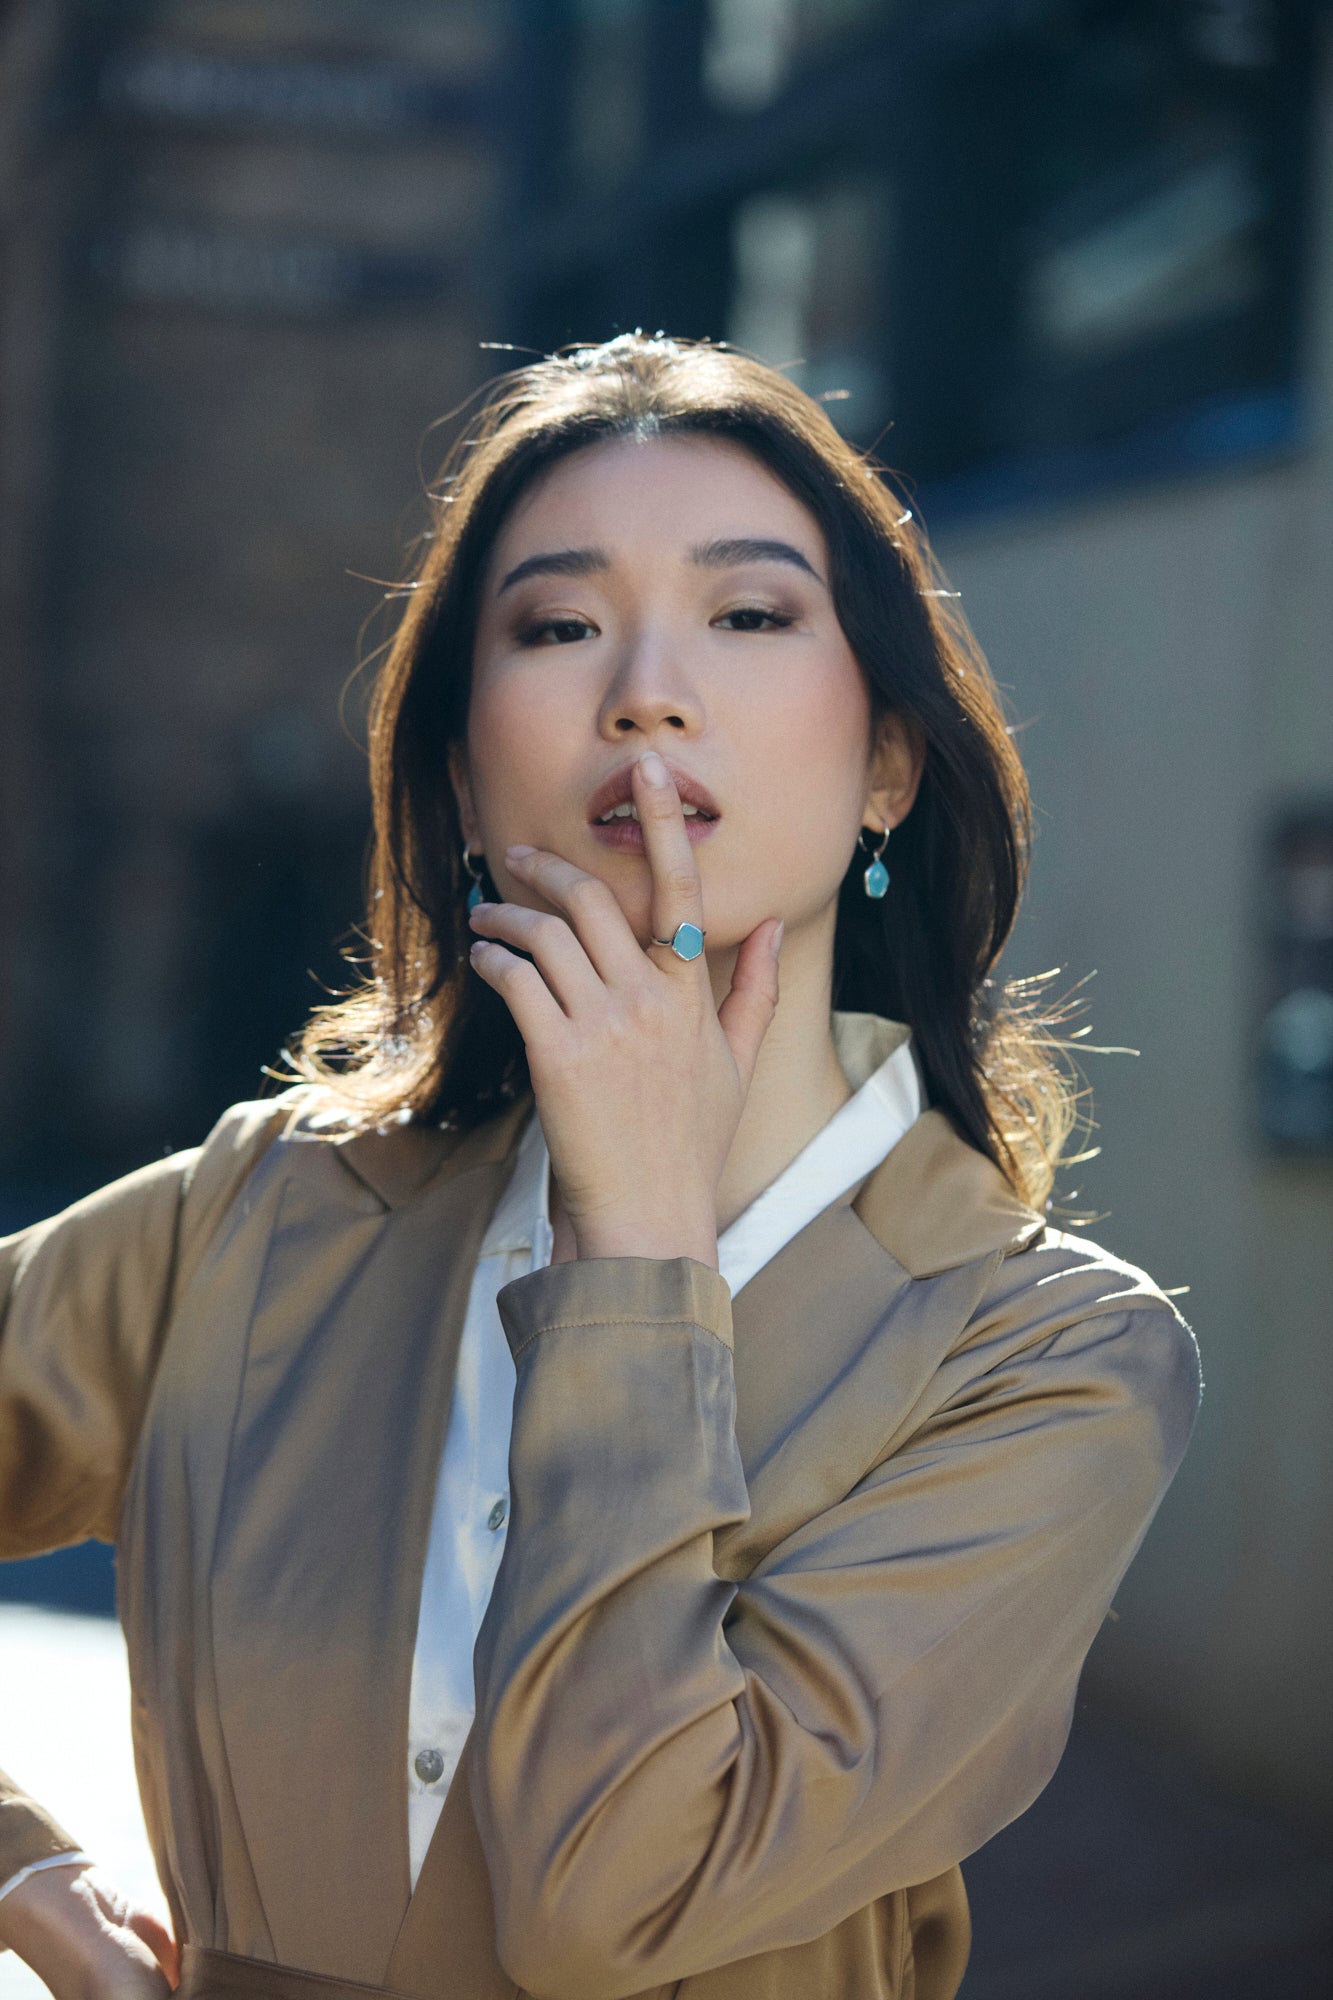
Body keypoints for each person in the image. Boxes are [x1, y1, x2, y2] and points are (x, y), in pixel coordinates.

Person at [0, 333, 1200, 2000]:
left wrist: (637, 1241)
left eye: (749, 613)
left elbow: (613, 1905)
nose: (643, 689)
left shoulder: (1048, 1358)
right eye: (558, 627)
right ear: (466, 781)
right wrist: (30, 1879)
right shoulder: (260, 1211)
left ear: (886, 766)